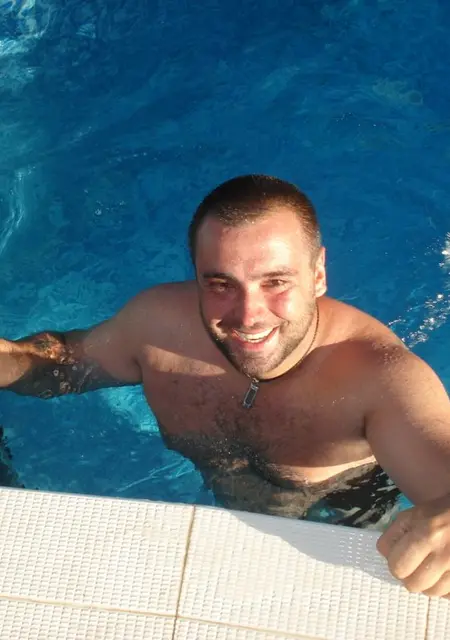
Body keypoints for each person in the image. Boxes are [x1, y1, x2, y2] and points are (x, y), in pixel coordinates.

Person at [1, 174, 450, 596]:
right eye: (221, 285)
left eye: (275, 282)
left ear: (317, 275)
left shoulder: (381, 378)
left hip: (343, 518)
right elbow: (61, 365)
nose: (248, 315)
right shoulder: (155, 327)